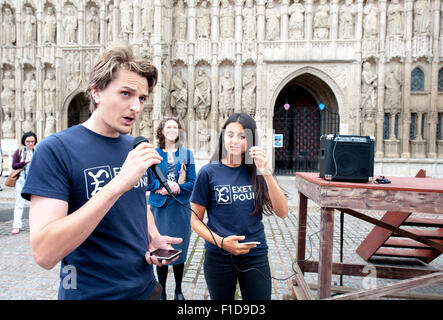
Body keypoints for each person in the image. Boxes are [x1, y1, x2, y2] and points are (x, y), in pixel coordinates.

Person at [21, 44, 182, 300]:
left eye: (141, 98)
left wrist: (152, 236)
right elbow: (44, 252)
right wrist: (118, 184)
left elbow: (139, 203)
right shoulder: (55, 150)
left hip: (147, 290)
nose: (136, 107)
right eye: (126, 93)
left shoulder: (134, 146)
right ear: (96, 92)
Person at [190, 113, 288, 300]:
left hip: (255, 253)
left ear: (251, 140)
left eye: (242, 137)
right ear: (223, 136)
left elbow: (282, 212)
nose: (234, 140)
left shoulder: (257, 172)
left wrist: (266, 172)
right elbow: (195, 221)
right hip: (219, 255)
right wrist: (222, 242)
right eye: (230, 134)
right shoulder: (208, 172)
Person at [148, 116, 196, 300]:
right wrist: (160, 188)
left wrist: (176, 188)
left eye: (175, 127)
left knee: (179, 249)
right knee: (161, 252)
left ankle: (178, 289)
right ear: (162, 130)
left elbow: (192, 182)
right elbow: (146, 182)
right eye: (168, 126)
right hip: (159, 209)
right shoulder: (154, 154)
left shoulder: (186, 154)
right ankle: (163, 291)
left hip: (180, 208)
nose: (172, 129)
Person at [11, 131, 37, 234]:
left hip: (34, 181)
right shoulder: (19, 152)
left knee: (35, 205)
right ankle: (16, 225)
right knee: (19, 204)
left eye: (32, 141)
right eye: (28, 141)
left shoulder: (37, 151)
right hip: (21, 181)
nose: (30, 143)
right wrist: (24, 162)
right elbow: (14, 165)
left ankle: (35, 225)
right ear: (24, 141)